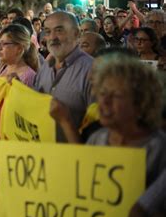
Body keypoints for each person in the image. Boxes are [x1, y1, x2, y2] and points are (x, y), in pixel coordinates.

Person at [51, 52, 166, 187]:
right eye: (102, 93)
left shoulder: (159, 149)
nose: (104, 101)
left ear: (141, 101)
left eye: (116, 95)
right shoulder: (98, 138)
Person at [34, 11, 94, 142]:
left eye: (59, 30)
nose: (52, 37)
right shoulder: (45, 68)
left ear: (77, 34)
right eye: (48, 32)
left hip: (76, 158)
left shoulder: (92, 71)